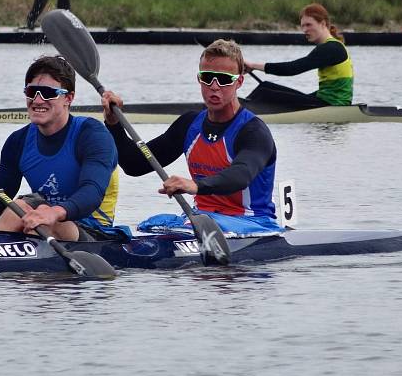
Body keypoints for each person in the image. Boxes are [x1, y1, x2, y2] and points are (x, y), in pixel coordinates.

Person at [101, 39, 282, 237]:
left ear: (239, 82)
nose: (214, 86)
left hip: (252, 222)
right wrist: (113, 124)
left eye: (223, 79)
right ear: (199, 79)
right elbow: (135, 165)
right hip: (203, 219)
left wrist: (195, 186)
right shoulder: (189, 124)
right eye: (207, 78)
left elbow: (241, 175)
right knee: (150, 225)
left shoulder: (253, 131)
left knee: (189, 225)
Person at [0, 55, 125, 242]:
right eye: (32, 91)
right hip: (41, 221)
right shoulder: (19, 141)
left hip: (95, 235)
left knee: (35, 211)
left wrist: (54, 213)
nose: (37, 100)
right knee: (20, 207)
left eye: (48, 93)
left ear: (69, 98)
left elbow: (92, 193)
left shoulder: (92, 135)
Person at [245, 3, 353, 106]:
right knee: (266, 87)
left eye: (308, 25)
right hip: (326, 101)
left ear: (323, 24)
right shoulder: (333, 46)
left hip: (333, 105)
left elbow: (293, 68)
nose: (305, 30)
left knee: (265, 92)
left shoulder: (331, 48)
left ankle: (241, 112)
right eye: (303, 26)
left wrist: (254, 66)